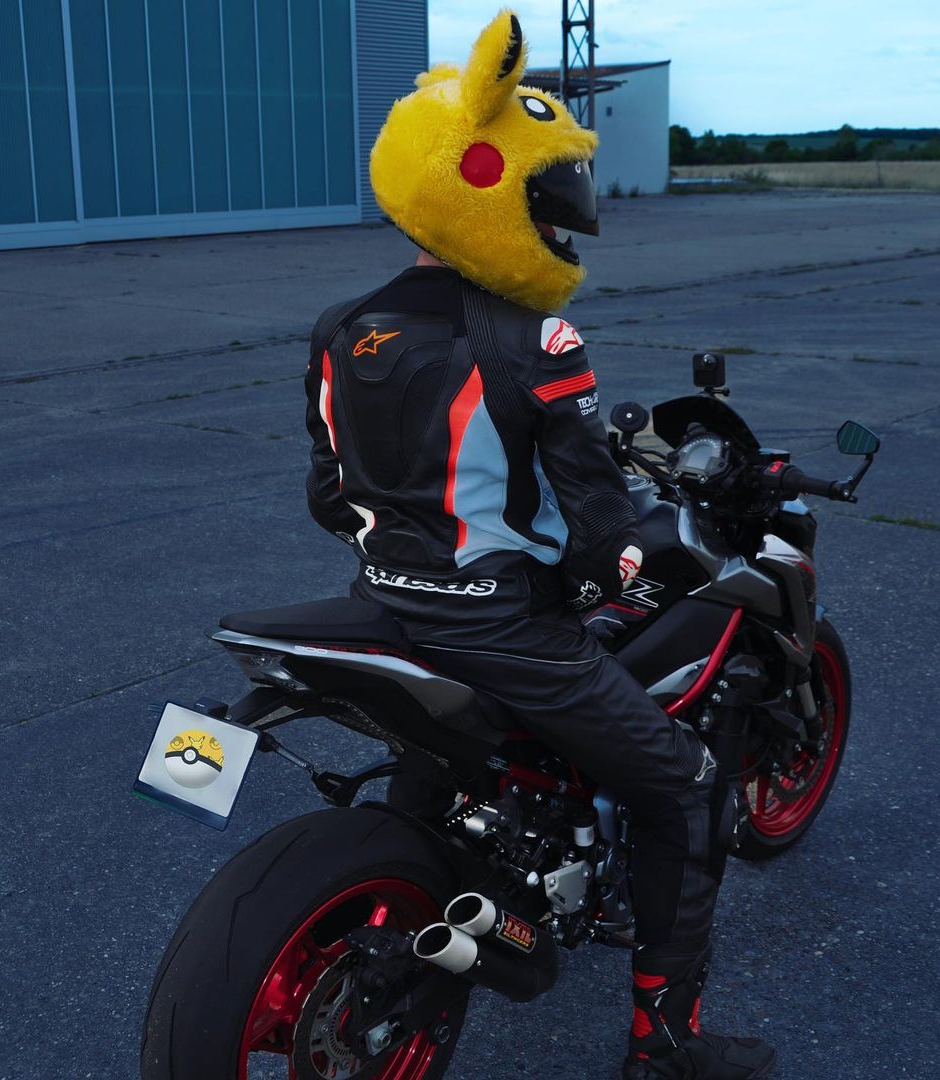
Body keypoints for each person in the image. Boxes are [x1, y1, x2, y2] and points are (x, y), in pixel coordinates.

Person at [303, 12, 774, 1079]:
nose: (567, 226)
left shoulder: (340, 326)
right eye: (551, 200)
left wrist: (411, 554)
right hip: (502, 631)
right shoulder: (538, 337)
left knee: (432, 765)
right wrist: (620, 573)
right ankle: (664, 1045)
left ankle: (459, 889)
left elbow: (330, 491)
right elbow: (600, 517)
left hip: (380, 605)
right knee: (688, 786)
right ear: (492, 190)